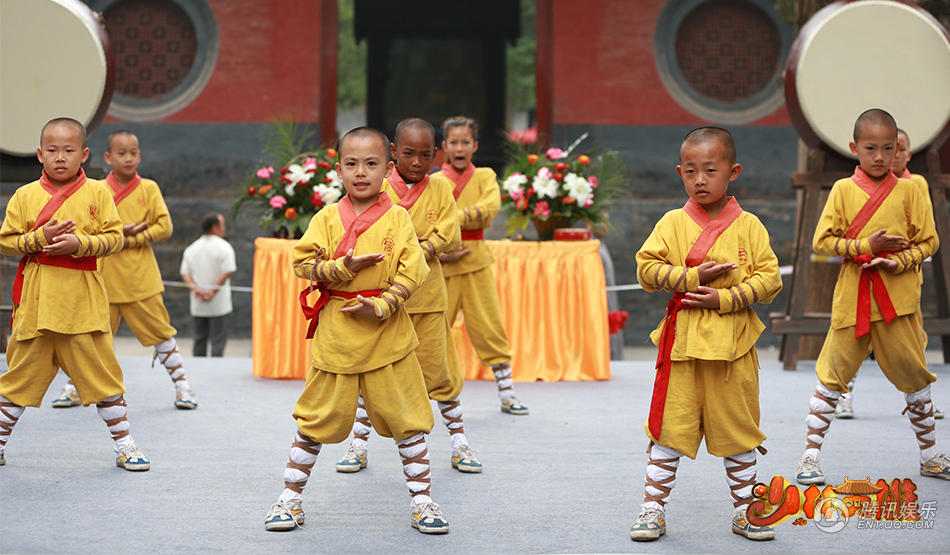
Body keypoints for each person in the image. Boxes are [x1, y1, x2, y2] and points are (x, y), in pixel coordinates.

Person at [264, 126, 450, 534]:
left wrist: (382, 304)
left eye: (371, 164)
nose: (360, 172)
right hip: (338, 334)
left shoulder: (399, 217)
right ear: (338, 169)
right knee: (314, 419)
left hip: (388, 334)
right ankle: (290, 499)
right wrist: (342, 268)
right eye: (351, 164)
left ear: (388, 169)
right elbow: (302, 264)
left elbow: (414, 269)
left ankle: (424, 502)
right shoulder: (326, 217)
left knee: (408, 420)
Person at [631, 127, 782, 542]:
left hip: (733, 351)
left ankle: (747, 512)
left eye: (710, 170)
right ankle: (651, 509)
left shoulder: (749, 226)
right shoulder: (672, 222)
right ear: (680, 172)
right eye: (691, 171)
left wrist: (726, 299)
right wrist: (688, 276)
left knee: (738, 433)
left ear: (732, 172)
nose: (700, 180)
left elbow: (770, 280)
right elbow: (645, 270)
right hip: (682, 350)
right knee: (668, 431)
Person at [795, 109, 949, 487]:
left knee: (915, 376)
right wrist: (865, 246)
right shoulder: (843, 190)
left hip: (899, 302)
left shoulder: (912, 190)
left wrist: (899, 261)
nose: (880, 156)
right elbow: (822, 241)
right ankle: (809, 457)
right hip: (854, 298)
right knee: (831, 377)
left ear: (898, 148)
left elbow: (930, 241)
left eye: (888, 148)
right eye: (870, 148)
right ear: (854, 149)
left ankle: (929, 455)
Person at [335, 118, 483, 475]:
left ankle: (459, 441)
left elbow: (448, 233)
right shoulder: (376, 186)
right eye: (408, 154)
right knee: (370, 371)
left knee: (440, 372)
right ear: (392, 155)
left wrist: (419, 249)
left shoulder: (441, 188)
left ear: (437, 154)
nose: (416, 162)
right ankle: (358, 443)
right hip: (380, 302)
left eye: (424, 155)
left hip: (428, 299)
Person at [0, 117, 150, 470]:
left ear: (84, 154)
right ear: (39, 154)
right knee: (18, 377)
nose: (60, 158)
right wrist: (38, 239)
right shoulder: (25, 196)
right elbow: (6, 242)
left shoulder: (99, 193)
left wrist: (78, 243)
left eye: (69, 150)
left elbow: (115, 239)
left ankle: (125, 445)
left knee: (104, 377)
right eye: (52, 150)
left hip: (82, 304)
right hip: (37, 304)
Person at [50, 130, 198, 410]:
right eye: (121, 153)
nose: (128, 158)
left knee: (161, 333)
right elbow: (85, 228)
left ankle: (183, 387)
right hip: (102, 278)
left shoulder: (149, 188)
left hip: (140, 279)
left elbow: (164, 227)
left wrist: (130, 239)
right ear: (107, 157)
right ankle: (74, 386)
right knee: (90, 336)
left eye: (133, 153)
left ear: (140, 155)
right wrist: (120, 233)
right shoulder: (96, 190)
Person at [835, 128, 943, 419]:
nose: (889, 156)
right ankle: (845, 394)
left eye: (897, 149)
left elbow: (926, 234)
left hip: (903, 279)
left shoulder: (914, 185)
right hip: (863, 277)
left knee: (912, 339)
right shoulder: (849, 188)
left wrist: (904, 257)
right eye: (876, 149)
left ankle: (919, 396)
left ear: (906, 153)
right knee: (853, 341)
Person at [435, 116, 530, 414]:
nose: (459, 147)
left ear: (474, 146)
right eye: (453, 142)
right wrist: (461, 219)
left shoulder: (486, 176)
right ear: (444, 146)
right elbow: (429, 217)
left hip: (476, 261)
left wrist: (450, 218)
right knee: (433, 328)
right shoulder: (436, 181)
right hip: (443, 263)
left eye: (465, 142)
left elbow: (489, 211)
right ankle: (423, 392)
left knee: (489, 327)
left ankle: (507, 392)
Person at [180, 213, 237, 357]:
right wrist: (212, 291)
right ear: (215, 227)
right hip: (219, 303)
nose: (224, 228)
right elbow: (228, 270)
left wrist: (196, 290)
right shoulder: (224, 247)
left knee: (199, 339)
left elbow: (185, 273)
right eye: (222, 225)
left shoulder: (192, 248)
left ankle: (199, 371)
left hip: (198, 302)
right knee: (218, 340)